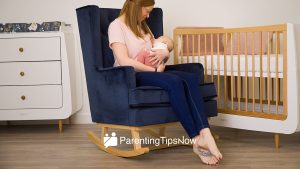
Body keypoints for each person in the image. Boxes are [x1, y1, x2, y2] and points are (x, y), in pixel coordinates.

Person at [108, 0, 222, 165]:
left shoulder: (143, 26)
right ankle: (196, 139)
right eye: (147, 11)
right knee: (174, 82)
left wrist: (163, 55)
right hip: (132, 75)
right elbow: (124, 60)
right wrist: (154, 71)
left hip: (154, 70)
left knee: (190, 78)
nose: (148, 15)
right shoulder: (116, 26)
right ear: (136, 6)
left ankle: (205, 132)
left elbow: (158, 49)